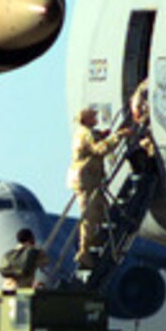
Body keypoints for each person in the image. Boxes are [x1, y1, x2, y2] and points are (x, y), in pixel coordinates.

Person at [68, 107, 131, 269]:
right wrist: (118, 137)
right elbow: (98, 149)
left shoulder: (86, 133)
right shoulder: (85, 134)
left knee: (102, 210)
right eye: (93, 116)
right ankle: (84, 251)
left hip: (91, 179)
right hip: (86, 179)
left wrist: (103, 135)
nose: (96, 118)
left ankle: (94, 240)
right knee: (89, 216)